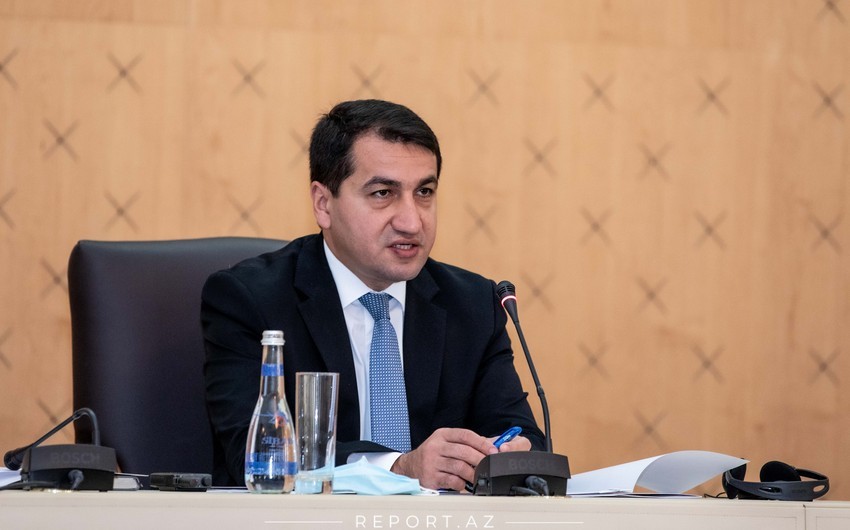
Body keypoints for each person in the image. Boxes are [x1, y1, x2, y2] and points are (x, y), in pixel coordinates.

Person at [202, 99, 545, 490]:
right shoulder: (249, 300)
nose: (412, 221)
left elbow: (524, 438)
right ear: (323, 204)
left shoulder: (474, 305)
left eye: (425, 191)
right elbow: (254, 454)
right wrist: (396, 468)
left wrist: (511, 454)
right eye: (383, 193)